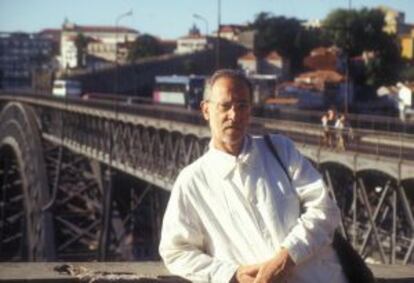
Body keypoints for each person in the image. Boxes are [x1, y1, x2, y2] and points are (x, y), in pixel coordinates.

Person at [159, 69, 347, 283]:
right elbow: (175, 251)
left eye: (242, 106)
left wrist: (287, 257)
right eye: (225, 106)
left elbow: (325, 209)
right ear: (206, 110)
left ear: (250, 111)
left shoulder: (281, 150)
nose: (234, 115)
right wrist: (231, 275)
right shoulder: (192, 181)